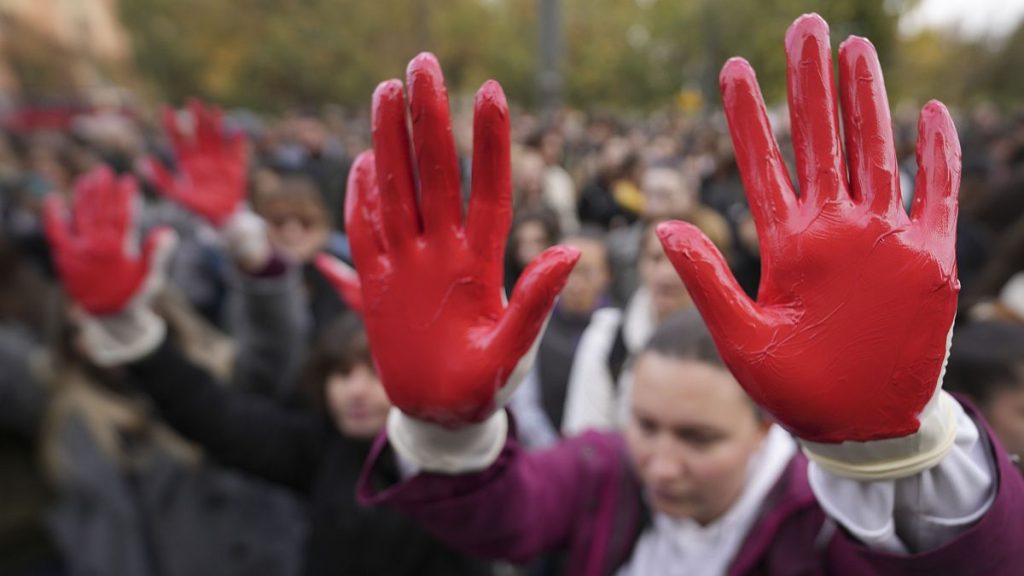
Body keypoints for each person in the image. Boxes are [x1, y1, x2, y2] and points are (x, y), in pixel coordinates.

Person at [328, 18, 1023, 576]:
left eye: (698, 438)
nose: (660, 463)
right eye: (648, 425)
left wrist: (886, 455)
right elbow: (505, 518)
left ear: (762, 431)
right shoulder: (604, 471)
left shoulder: (820, 523)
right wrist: (446, 433)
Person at [44, 115, 494, 576]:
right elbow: (213, 414)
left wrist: (461, 423)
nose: (355, 392)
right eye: (341, 375)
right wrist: (134, 339)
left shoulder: (450, 466)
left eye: (373, 375)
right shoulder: (321, 449)